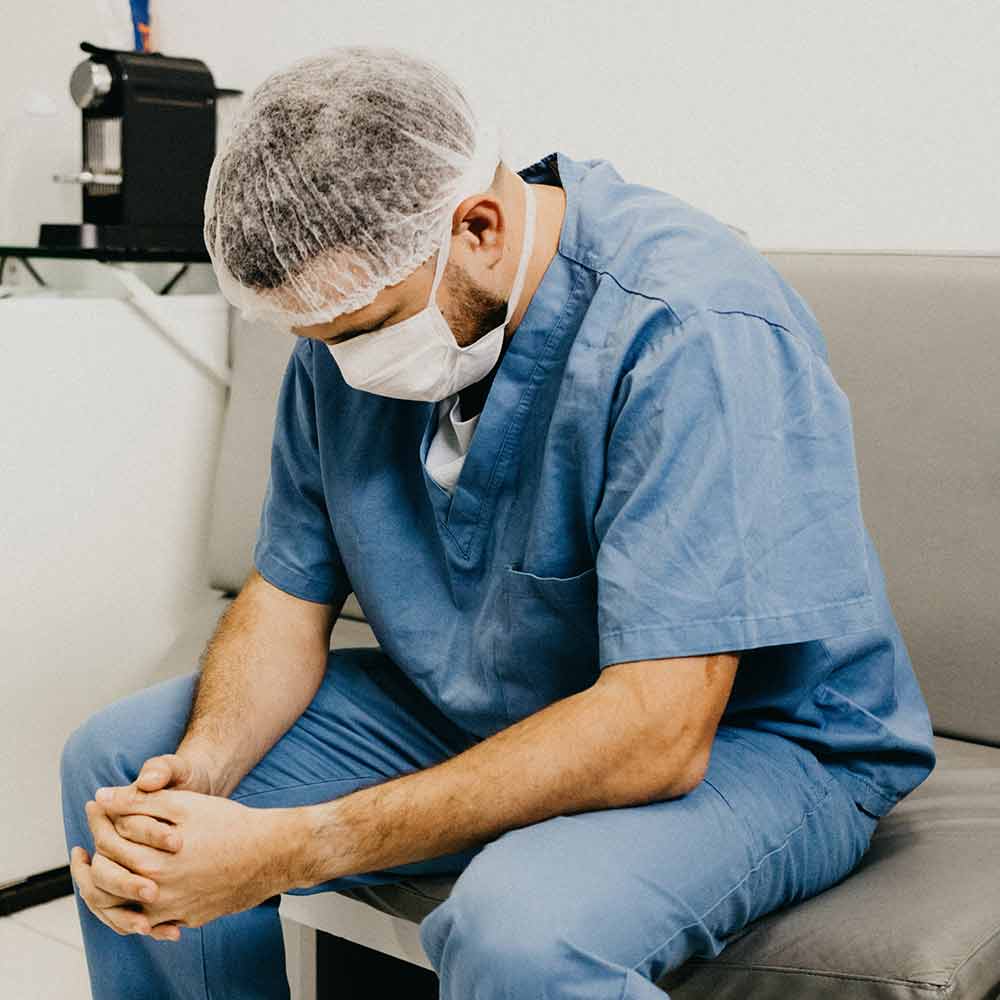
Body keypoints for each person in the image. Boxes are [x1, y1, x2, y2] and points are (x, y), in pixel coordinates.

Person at [60, 44, 937, 999]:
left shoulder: (688, 328)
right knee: (121, 770)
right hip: (488, 699)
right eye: (315, 342)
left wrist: (292, 846)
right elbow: (287, 593)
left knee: (518, 934)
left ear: (478, 225)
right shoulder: (360, 311)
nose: (345, 368)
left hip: (755, 736)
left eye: (360, 333)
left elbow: (658, 730)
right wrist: (200, 776)